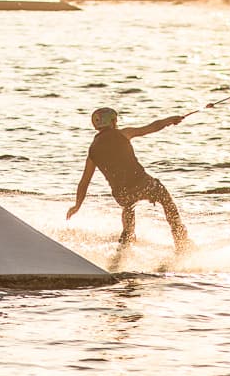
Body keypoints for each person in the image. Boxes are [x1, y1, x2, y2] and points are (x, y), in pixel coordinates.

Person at [67, 106, 192, 267]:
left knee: (128, 208)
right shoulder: (122, 134)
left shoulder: (93, 150)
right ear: (112, 122)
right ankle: (181, 243)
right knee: (164, 198)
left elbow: (84, 182)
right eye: (115, 120)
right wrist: (170, 120)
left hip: (121, 194)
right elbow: (152, 127)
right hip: (142, 184)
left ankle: (120, 255)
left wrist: (77, 205)